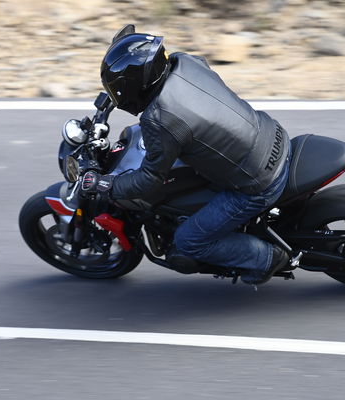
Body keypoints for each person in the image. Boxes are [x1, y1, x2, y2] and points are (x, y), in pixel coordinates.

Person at [81, 25, 291, 285]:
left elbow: (149, 179)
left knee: (189, 241)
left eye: (117, 90)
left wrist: (106, 184)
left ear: (134, 86)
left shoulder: (159, 119)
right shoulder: (185, 62)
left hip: (257, 181)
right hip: (271, 135)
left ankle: (267, 259)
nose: (117, 95)